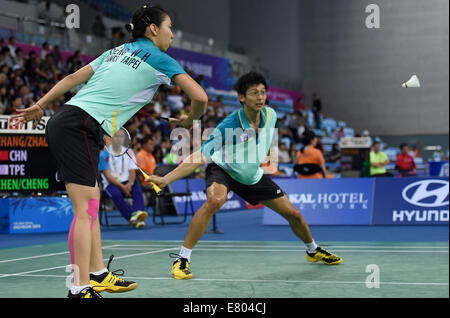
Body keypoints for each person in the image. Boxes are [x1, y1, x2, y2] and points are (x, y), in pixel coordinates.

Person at [12, 5, 208, 298]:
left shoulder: (115, 51)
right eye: (169, 27)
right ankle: (78, 288)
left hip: (73, 121)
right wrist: (191, 120)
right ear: (153, 29)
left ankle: (99, 273)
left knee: (92, 204)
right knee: (85, 210)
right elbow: (200, 97)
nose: (172, 34)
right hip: (79, 125)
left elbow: (69, 80)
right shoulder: (160, 58)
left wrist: (41, 104)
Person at [148, 72, 342, 280]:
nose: (260, 97)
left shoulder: (271, 115)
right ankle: (182, 259)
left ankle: (313, 250)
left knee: (293, 214)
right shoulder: (228, 126)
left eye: (263, 93)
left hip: (251, 175)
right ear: (241, 97)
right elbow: (198, 157)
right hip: (224, 169)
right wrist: (166, 179)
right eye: (254, 93)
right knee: (215, 200)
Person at [99, 129, 148, 229]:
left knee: (137, 189)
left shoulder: (129, 151)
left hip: (127, 181)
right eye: (116, 136)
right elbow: (107, 176)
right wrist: (122, 187)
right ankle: (133, 217)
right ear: (111, 138)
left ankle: (138, 213)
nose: (119, 139)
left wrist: (129, 184)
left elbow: (132, 171)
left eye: (121, 136)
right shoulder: (104, 154)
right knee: (116, 194)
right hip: (111, 183)